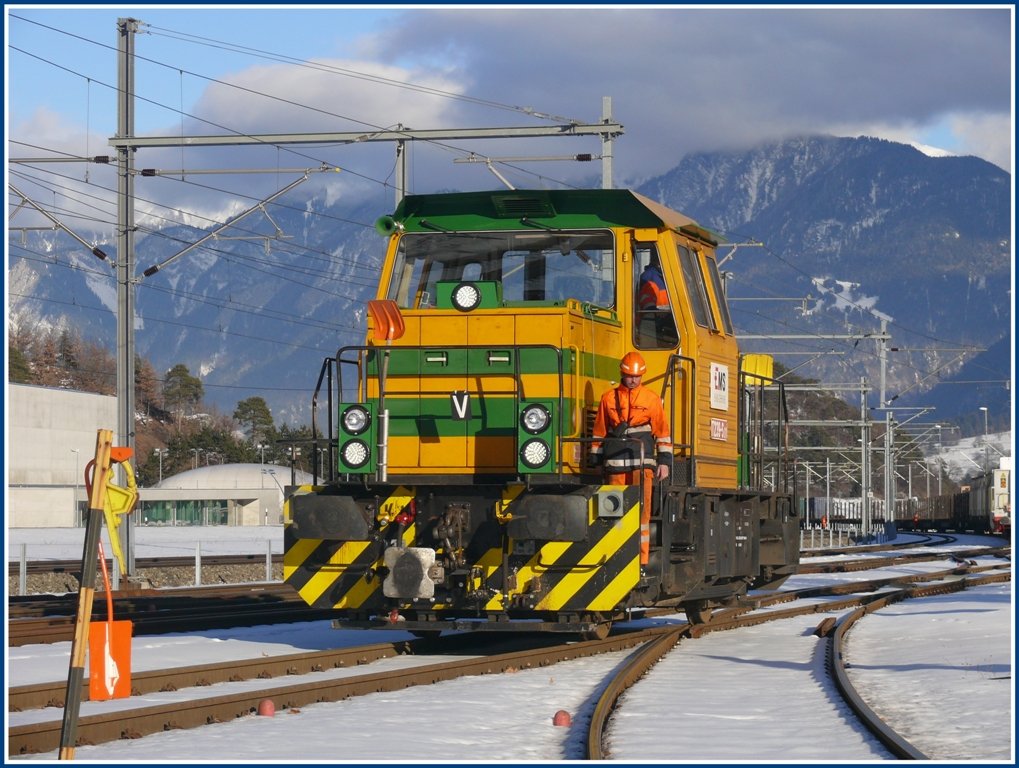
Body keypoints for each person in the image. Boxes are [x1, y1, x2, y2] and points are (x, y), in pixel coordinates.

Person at [588, 351, 672, 568]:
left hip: (642, 465)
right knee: (614, 511)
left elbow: (662, 433)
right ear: (622, 374)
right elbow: (599, 431)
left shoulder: (651, 399)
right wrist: (595, 459)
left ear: (642, 376)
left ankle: (641, 560)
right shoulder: (608, 398)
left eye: (637, 376)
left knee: (642, 514)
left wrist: (665, 462)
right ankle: (615, 555)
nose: (633, 380)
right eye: (629, 375)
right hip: (615, 465)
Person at [636, 254, 678, 347]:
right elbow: (648, 309)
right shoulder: (649, 278)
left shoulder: (665, 278)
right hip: (652, 329)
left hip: (663, 327)